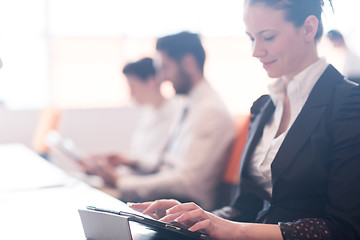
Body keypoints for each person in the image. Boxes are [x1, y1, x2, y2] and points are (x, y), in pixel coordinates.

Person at [129, 0, 360, 239]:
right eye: (251, 38)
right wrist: (196, 218)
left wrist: (237, 230)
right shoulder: (265, 107)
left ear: (308, 29)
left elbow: (342, 228)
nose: (255, 51)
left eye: (268, 37)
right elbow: (246, 207)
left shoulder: (349, 104)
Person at [93, 32, 235, 210]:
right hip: (168, 199)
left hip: (184, 207)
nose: (162, 78)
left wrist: (123, 182)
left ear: (188, 63)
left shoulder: (210, 111)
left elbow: (187, 182)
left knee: (97, 202)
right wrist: (131, 164)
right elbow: (166, 164)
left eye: (165, 68)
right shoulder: (190, 104)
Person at [85, 57, 184, 178]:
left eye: (132, 87)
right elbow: (139, 156)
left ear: (151, 82)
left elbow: (157, 163)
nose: (130, 94)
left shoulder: (174, 113)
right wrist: (112, 165)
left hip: (150, 183)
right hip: (134, 178)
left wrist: (126, 162)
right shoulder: (149, 112)